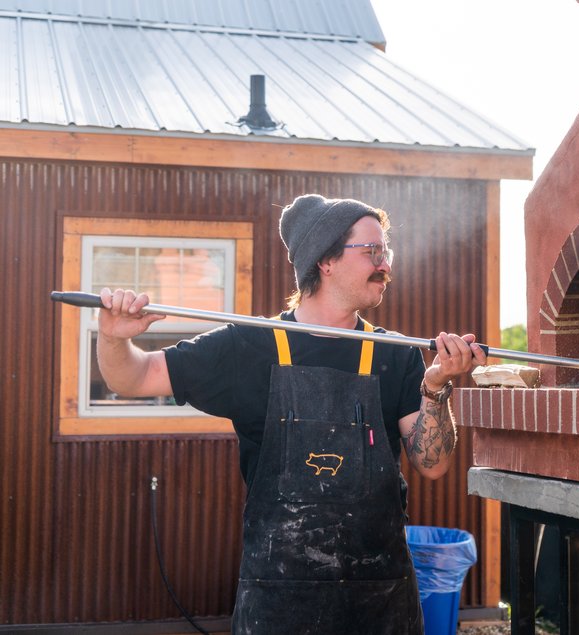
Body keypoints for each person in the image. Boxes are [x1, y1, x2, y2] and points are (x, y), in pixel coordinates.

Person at [95, 194, 487, 634]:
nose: (386, 265)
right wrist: (113, 338)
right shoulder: (251, 346)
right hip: (280, 601)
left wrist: (436, 388)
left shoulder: (393, 354)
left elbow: (433, 465)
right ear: (326, 261)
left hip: (380, 599)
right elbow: (134, 377)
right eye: (372, 251)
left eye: (386, 251)